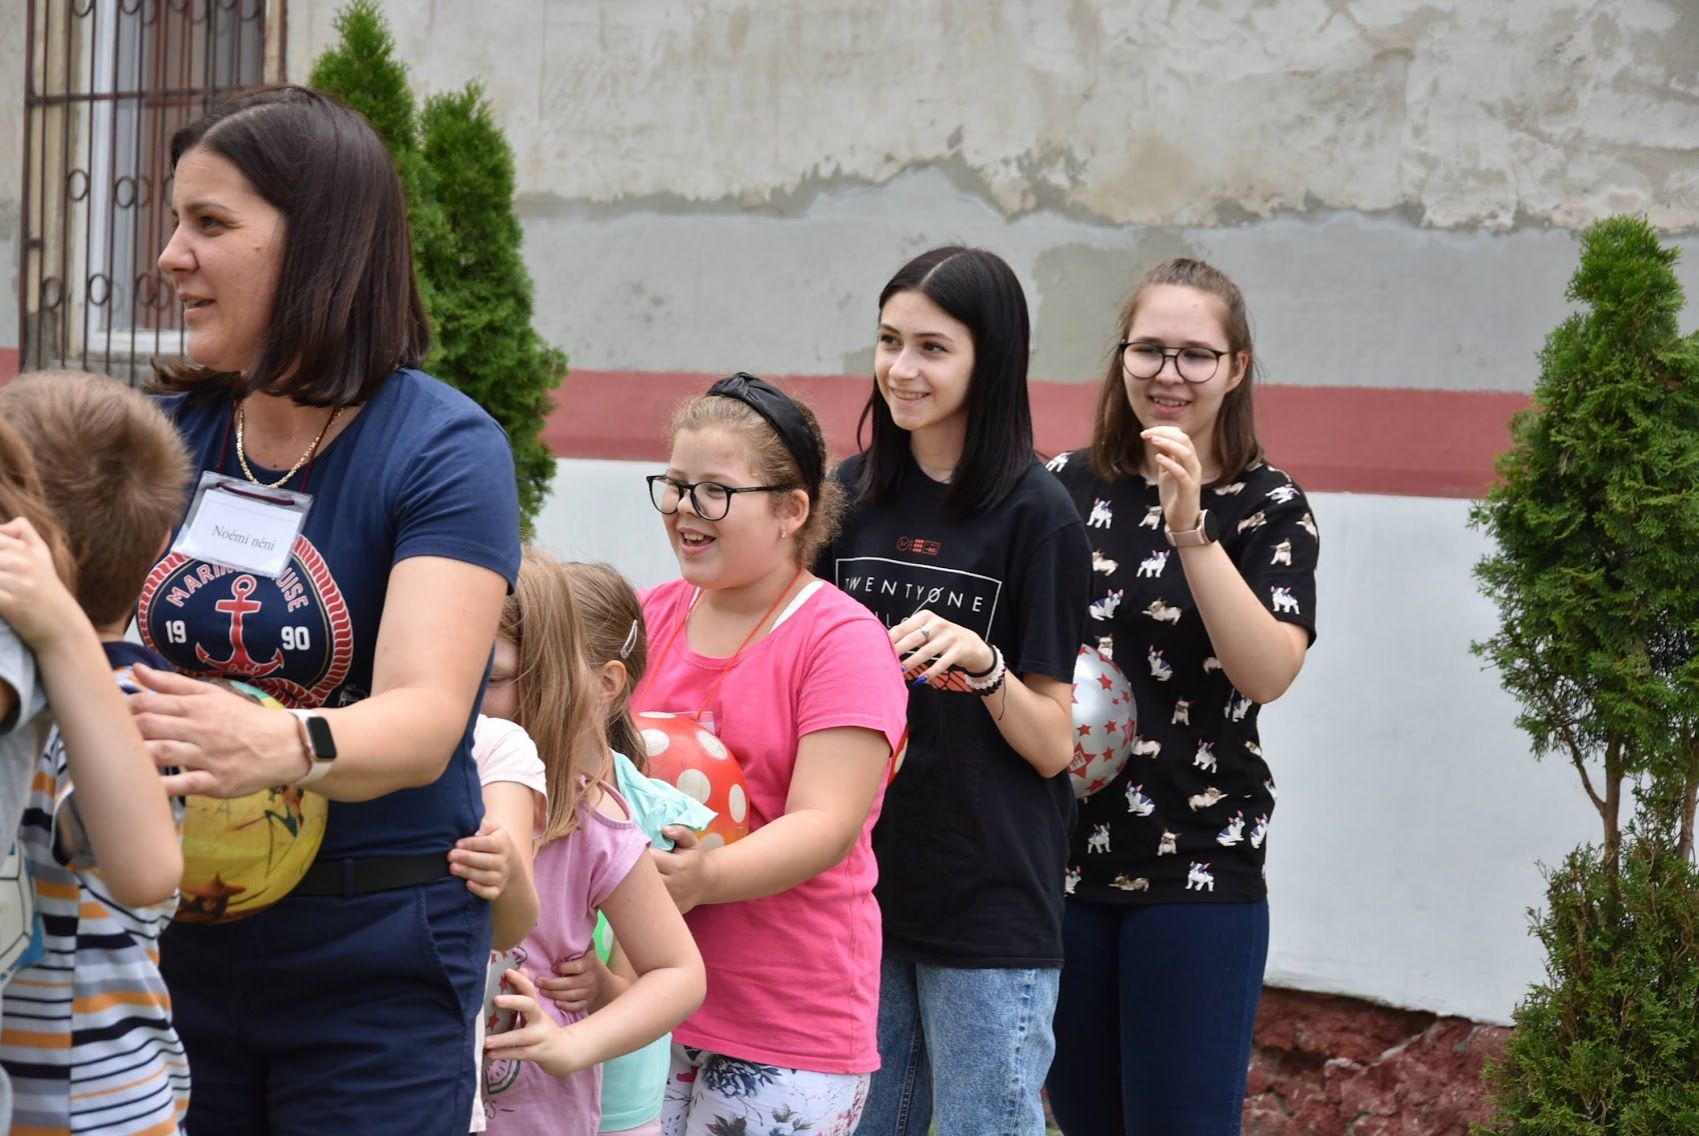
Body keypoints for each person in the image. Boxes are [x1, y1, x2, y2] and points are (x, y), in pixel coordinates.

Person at [128, 85, 522, 1134]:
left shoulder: (443, 448)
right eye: (176, 221)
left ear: (318, 245)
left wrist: (275, 743)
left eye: (210, 223)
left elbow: (425, 718)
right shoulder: (158, 436)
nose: (170, 256)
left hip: (373, 955)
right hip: (166, 943)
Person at [818, 246, 1090, 1136]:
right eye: (889, 340)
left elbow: (1054, 744)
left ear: (990, 360)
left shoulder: (1039, 515)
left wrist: (986, 667)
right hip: (858, 882)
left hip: (987, 896)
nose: (901, 368)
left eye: (932, 348)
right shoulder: (847, 496)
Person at [1043, 258, 1319, 1136]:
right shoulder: (1059, 487)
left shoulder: (1268, 507)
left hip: (1196, 869)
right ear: (1120, 356)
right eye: (1148, 350)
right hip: (1059, 867)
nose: (1168, 374)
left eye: (1195, 355)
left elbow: (1266, 672)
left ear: (1236, 368)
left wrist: (1190, 529)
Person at [634, 374, 908, 1136]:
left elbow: (825, 824)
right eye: (675, 485)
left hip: (785, 1019)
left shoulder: (841, 640)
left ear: (791, 510)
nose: (685, 509)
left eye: (715, 491)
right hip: (641, 994)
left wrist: (704, 878)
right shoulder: (647, 616)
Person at [0, 372, 189, 1133]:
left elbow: (141, 867)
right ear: (160, 546)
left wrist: (58, 635)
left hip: (87, 1102)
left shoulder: (137, 708)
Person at [541, 560, 712, 1136]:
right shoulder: (497, 785)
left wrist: (598, 986)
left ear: (608, 682)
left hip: (615, 1107)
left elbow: (650, 983)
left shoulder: (652, 819)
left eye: (542, 669)